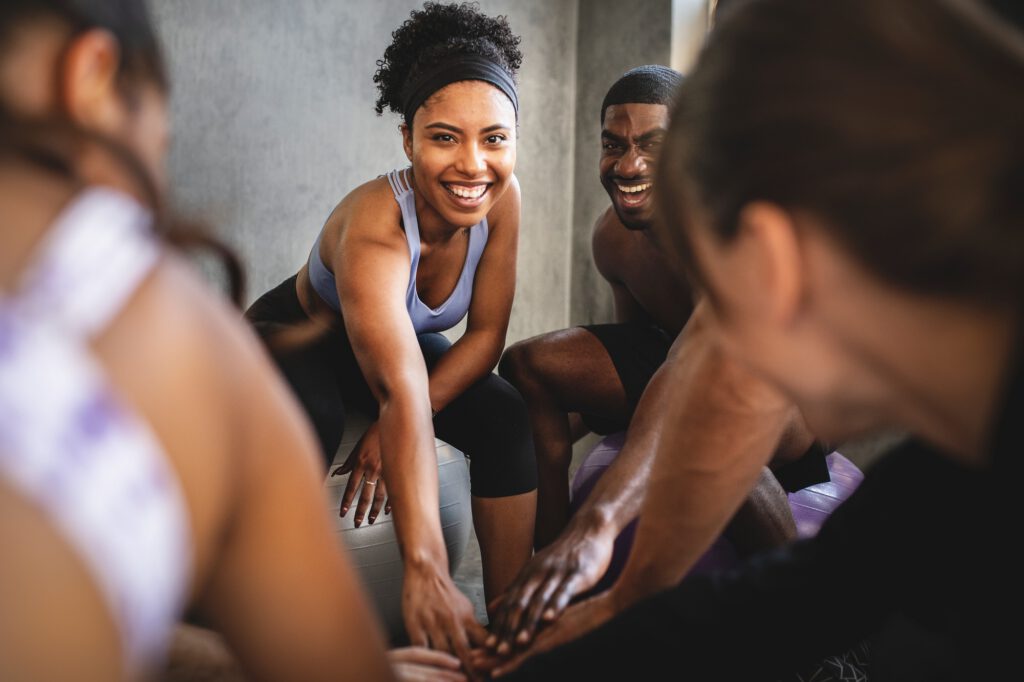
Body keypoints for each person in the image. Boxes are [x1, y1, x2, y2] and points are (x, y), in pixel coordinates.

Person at [493, 0, 1024, 678]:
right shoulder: (928, 489)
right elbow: (799, 597)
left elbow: (701, 372)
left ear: (772, 258)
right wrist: (597, 622)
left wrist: (601, 535)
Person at [0, 2, 466, 681]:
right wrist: (419, 579)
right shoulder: (158, 329)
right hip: (299, 343)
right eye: (162, 136)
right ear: (90, 76)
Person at [488, 64, 827, 653]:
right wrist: (537, 422)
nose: (628, 166)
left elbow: (689, 371)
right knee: (528, 365)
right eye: (613, 145)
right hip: (684, 378)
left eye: (653, 145)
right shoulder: (612, 240)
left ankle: (819, 643)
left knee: (704, 426)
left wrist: (598, 524)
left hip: (786, 404)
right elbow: (634, 356)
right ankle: (548, 587)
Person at [244, 0, 537, 663]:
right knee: (313, 420)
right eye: (445, 138)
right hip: (295, 336)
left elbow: (485, 337)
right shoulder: (375, 224)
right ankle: (279, 631)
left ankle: (513, 632)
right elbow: (400, 389)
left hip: (387, 346)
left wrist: (401, 418)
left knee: (503, 413)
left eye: (494, 138)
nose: (473, 165)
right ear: (408, 140)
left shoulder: (503, 199)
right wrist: (425, 571)